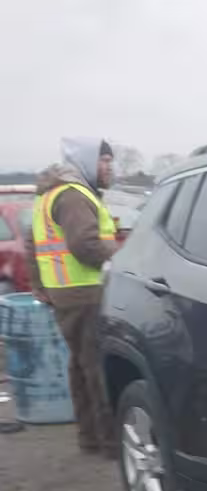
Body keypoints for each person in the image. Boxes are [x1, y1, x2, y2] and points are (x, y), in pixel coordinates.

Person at [24, 138, 118, 455]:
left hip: (66, 293)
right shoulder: (74, 196)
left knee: (80, 366)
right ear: (88, 161)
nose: (109, 167)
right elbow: (86, 246)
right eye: (104, 160)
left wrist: (40, 287)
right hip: (85, 292)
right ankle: (109, 442)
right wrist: (123, 255)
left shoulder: (48, 195)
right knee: (96, 368)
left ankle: (89, 438)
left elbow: (31, 243)